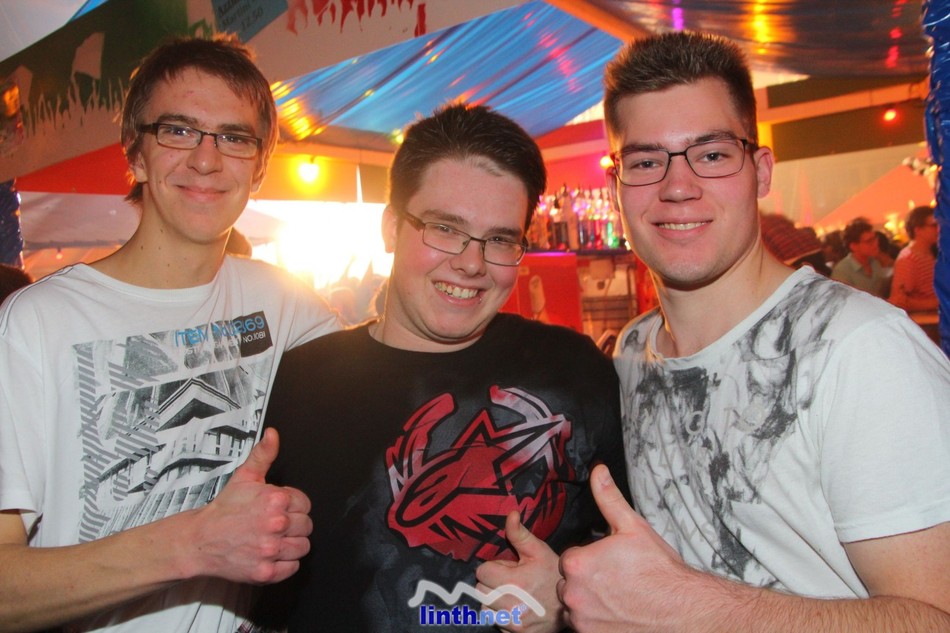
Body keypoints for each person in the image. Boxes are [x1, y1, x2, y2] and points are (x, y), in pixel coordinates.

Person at [555, 31, 950, 632]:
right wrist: (559, 594)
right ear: (616, 188)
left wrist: (686, 608)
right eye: (645, 162)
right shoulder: (634, 351)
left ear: (760, 171)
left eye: (713, 155)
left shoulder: (859, 350)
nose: (677, 186)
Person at [0, 36, 341, 632]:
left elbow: (396, 371)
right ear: (135, 154)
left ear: (259, 169)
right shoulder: (36, 323)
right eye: (178, 131)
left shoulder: (283, 302)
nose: (206, 160)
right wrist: (194, 544)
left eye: (234, 137)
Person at [251, 103, 627, 632]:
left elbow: (642, 566)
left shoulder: (575, 371)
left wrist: (568, 602)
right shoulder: (301, 382)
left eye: (500, 239)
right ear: (391, 228)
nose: (471, 263)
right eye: (445, 228)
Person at [889, 204, 939, 313]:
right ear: (918, 230)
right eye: (934, 225)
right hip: (926, 319)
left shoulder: (931, 253)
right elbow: (899, 300)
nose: (939, 229)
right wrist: (938, 302)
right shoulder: (908, 259)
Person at [830, 216, 892, 298]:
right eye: (869, 241)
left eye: (875, 238)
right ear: (854, 246)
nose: (876, 243)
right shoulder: (842, 272)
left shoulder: (875, 261)